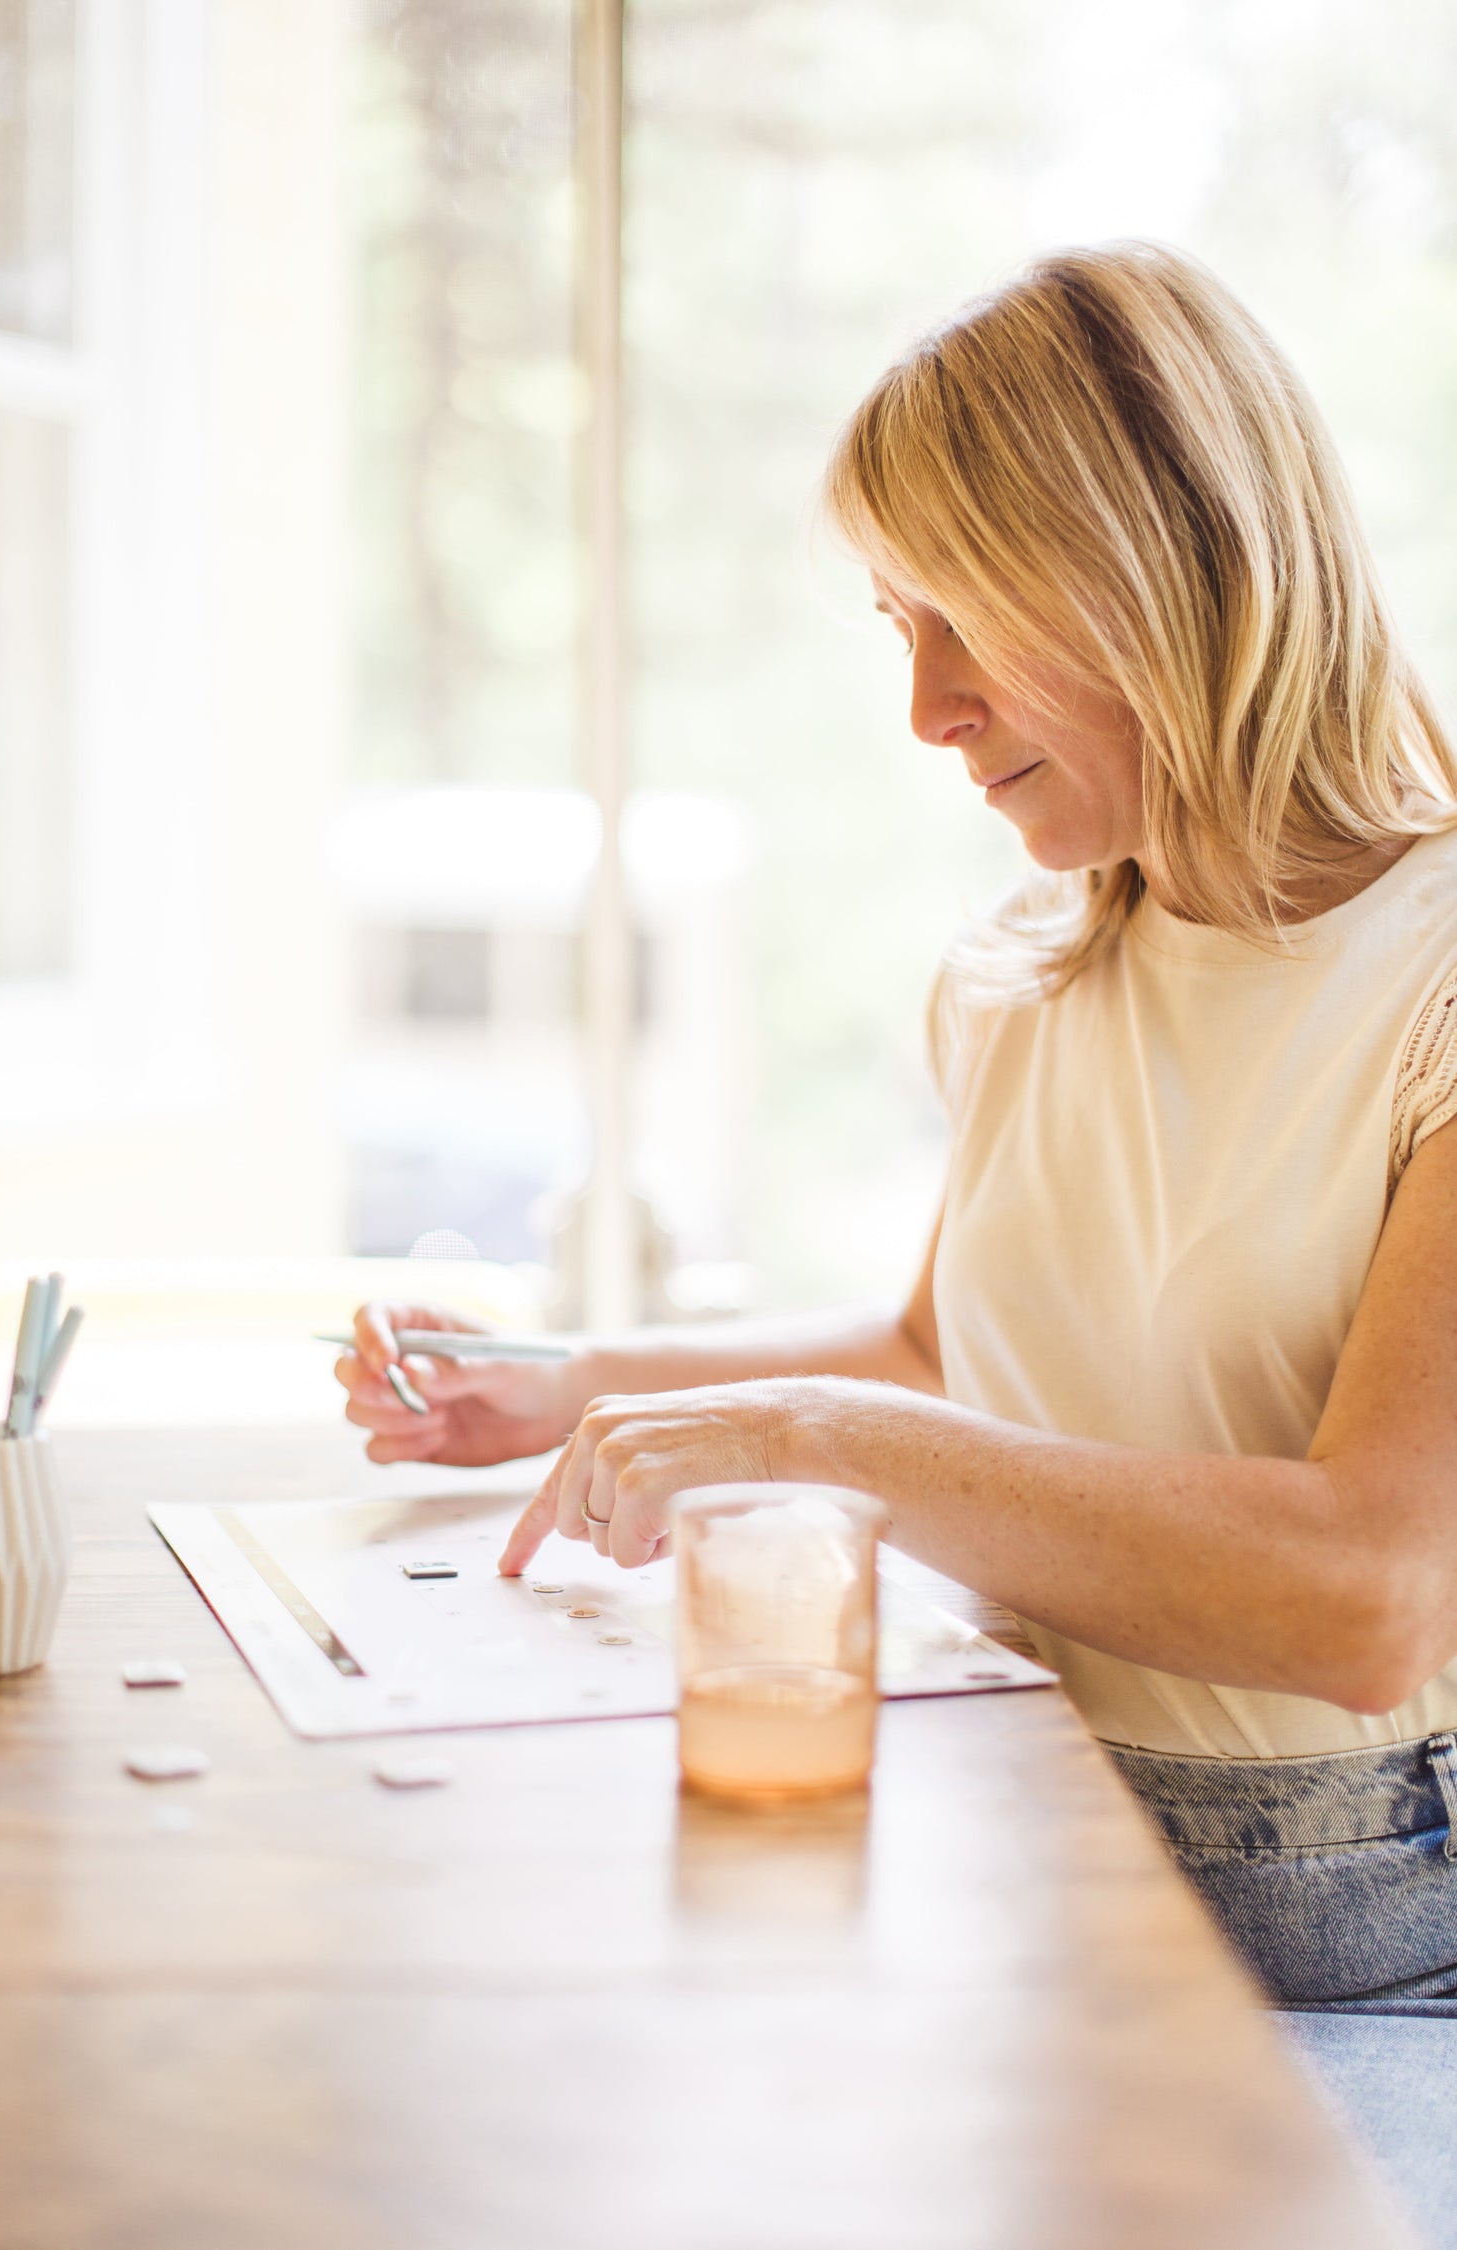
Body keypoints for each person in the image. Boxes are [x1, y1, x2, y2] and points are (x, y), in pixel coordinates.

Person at [338, 242, 1457, 2014]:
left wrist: (807, 1432)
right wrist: (582, 1386)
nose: (928, 713)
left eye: (967, 617)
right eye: (897, 626)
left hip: (1340, 1934)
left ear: (1162, 572)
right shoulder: (1026, 971)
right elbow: (949, 1356)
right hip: (1008, 1807)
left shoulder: (1434, 981)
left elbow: (1372, 1597)